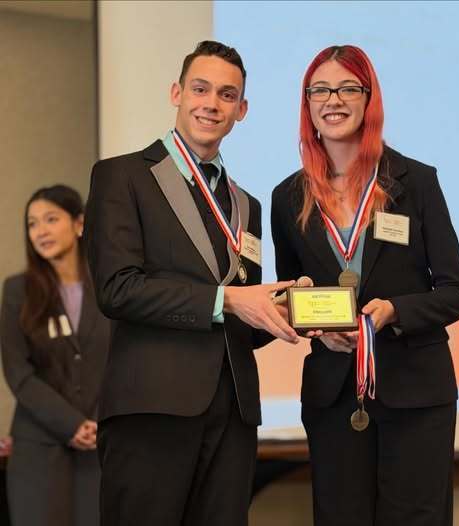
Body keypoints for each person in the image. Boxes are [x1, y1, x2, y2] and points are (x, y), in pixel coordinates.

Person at [84, 40, 298, 526]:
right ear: (177, 92)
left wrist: (286, 311)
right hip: (151, 410)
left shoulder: (247, 206)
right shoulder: (121, 177)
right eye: (200, 89)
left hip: (234, 416)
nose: (212, 104)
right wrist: (228, 300)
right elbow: (117, 289)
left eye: (227, 95)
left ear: (241, 111)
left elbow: (244, 319)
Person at [271, 45, 459, 526]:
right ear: (307, 103)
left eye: (347, 88)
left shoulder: (417, 182)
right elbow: (289, 294)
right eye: (319, 89)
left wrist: (393, 312)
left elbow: (456, 292)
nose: (332, 99)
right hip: (333, 396)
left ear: (369, 98)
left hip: (415, 394)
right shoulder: (287, 197)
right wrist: (313, 324)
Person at [1, 185, 110, 526]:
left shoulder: (111, 287)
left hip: (102, 445)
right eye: (32, 224)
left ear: (79, 224)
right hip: (39, 450)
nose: (40, 231)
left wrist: (98, 422)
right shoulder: (18, 291)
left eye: (50, 219)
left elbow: (127, 362)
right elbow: (18, 372)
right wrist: (71, 423)